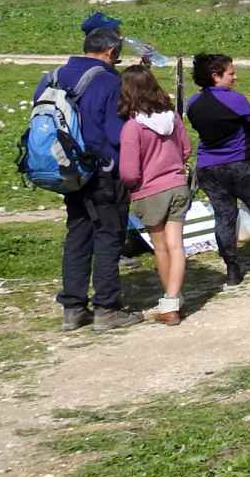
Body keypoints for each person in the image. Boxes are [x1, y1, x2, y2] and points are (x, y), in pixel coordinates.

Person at [40, 26, 136, 329]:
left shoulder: (52, 76)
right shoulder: (108, 81)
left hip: (68, 170)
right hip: (103, 171)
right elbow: (115, 133)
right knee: (108, 235)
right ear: (111, 52)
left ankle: (73, 307)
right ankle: (107, 308)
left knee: (78, 234)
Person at [188, 52, 250, 285]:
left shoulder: (193, 102)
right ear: (215, 76)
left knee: (224, 217)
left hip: (209, 168)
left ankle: (232, 269)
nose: (235, 77)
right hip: (243, 165)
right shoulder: (235, 100)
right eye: (231, 73)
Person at [116, 62, 189, 324]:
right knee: (177, 244)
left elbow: (128, 171)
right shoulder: (173, 117)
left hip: (150, 190)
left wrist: (132, 186)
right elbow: (186, 150)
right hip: (177, 185)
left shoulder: (132, 128)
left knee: (160, 247)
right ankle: (174, 296)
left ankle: (170, 303)